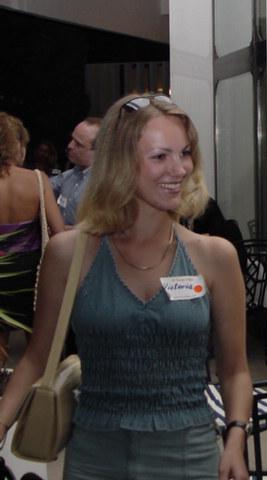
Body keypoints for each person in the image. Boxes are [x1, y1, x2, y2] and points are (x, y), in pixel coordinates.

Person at [0, 94, 252, 480]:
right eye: (160, 156)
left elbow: (235, 370)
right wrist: (2, 421)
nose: (179, 169)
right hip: (94, 458)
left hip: (188, 455)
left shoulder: (214, 256)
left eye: (185, 153)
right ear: (120, 162)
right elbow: (36, 357)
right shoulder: (69, 254)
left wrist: (235, 438)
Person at [0, 112, 64, 363]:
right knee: (38, 354)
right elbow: (58, 232)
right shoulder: (37, 180)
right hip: (30, 277)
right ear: (17, 145)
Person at [50, 117, 101, 226]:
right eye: (72, 139)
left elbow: (101, 230)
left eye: (78, 144)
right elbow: (44, 186)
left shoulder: (104, 185)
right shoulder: (70, 175)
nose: (70, 146)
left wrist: (63, 230)